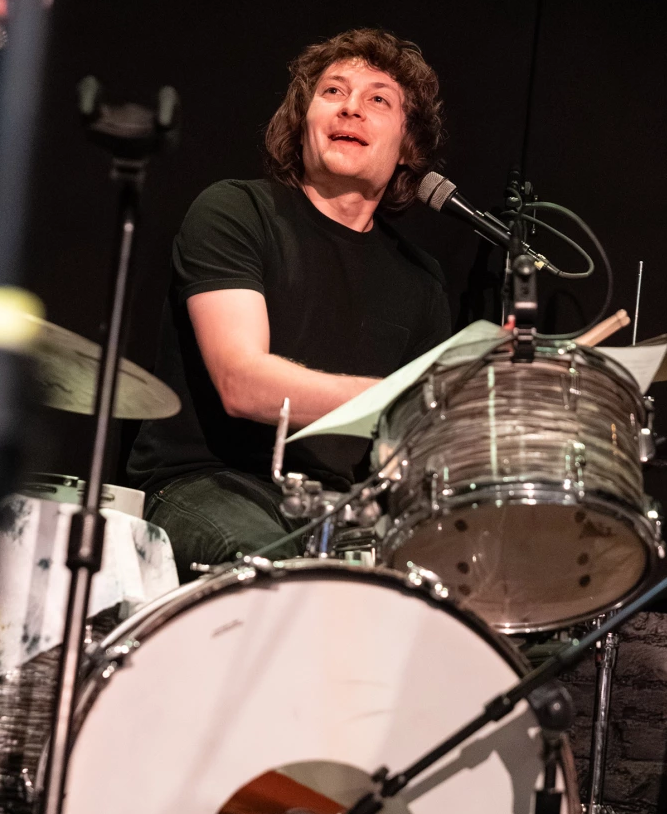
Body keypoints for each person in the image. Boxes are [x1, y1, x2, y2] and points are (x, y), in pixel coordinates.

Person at [129, 28, 453, 580]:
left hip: (339, 506)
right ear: (302, 119)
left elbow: (415, 450)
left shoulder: (420, 278)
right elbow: (243, 383)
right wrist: (400, 399)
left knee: (444, 591)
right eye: (333, 92)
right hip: (208, 481)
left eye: (378, 99)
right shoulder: (235, 211)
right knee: (292, 575)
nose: (350, 108)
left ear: (409, 146)